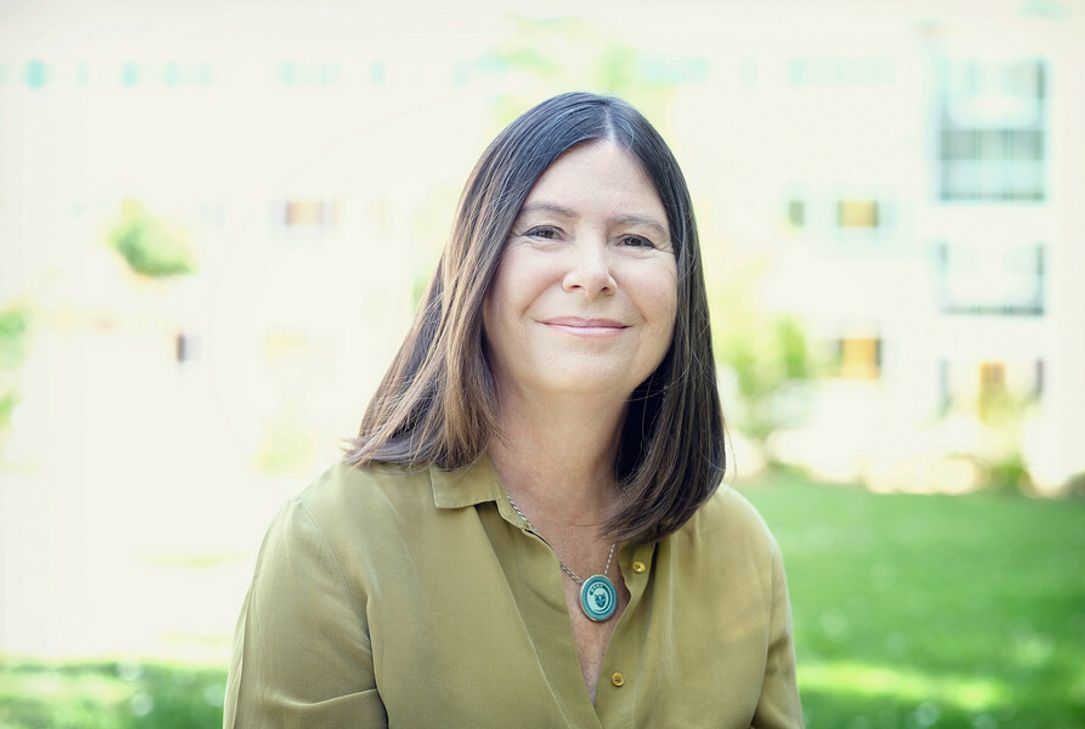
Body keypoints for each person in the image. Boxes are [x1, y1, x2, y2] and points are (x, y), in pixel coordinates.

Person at [224, 91, 804, 728]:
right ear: (478, 265)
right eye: (545, 231)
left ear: (681, 281)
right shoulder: (332, 541)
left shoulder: (741, 549)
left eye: (635, 239)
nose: (592, 273)